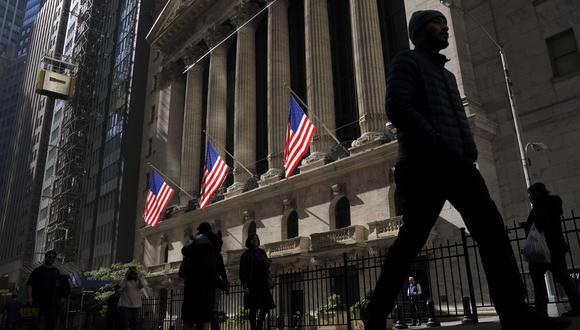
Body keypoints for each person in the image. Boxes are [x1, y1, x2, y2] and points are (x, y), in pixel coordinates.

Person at [362, 10, 570, 330]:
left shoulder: (448, 76)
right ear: (419, 31)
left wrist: (469, 149)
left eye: (445, 24)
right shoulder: (407, 62)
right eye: (437, 23)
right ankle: (376, 311)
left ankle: (514, 313)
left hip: (459, 165)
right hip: (422, 164)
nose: (445, 28)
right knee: (411, 242)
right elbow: (397, 106)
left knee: (492, 232)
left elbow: (457, 116)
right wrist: (435, 141)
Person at [524, 182, 580, 317]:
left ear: (537, 193)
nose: (530, 198)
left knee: (539, 280)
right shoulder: (552, 203)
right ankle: (577, 306)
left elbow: (541, 224)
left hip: (544, 249)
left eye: (531, 194)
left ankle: (541, 311)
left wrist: (529, 225)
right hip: (555, 248)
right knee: (563, 278)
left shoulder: (540, 207)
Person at [179, 222, 218, 330]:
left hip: (191, 291)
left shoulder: (189, 254)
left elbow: (181, 273)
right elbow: (213, 273)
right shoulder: (210, 253)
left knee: (189, 320)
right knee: (205, 319)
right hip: (205, 291)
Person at [239, 234, 276, 330]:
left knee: (266, 306)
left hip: (263, 283)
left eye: (256, 239)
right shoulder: (245, 255)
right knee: (253, 308)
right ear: (249, 241)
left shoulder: (262, 252)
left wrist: (267, 263)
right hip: (252, 284)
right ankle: (253, 327)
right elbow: (242, 272)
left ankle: (258, 326)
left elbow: (265, 265)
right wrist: (245, 286)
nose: (255, 240)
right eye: (253, 239)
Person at [26, 250, 63, 330]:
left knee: (51, 324)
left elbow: (59, 286)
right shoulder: (37, 271)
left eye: (53, 257)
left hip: (52, 302)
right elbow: (30, 284)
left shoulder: (56, 272)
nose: (51, 259)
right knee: (34, 324)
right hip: (38, 300)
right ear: (46, 257)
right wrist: (30, 297)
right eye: (50, 257)